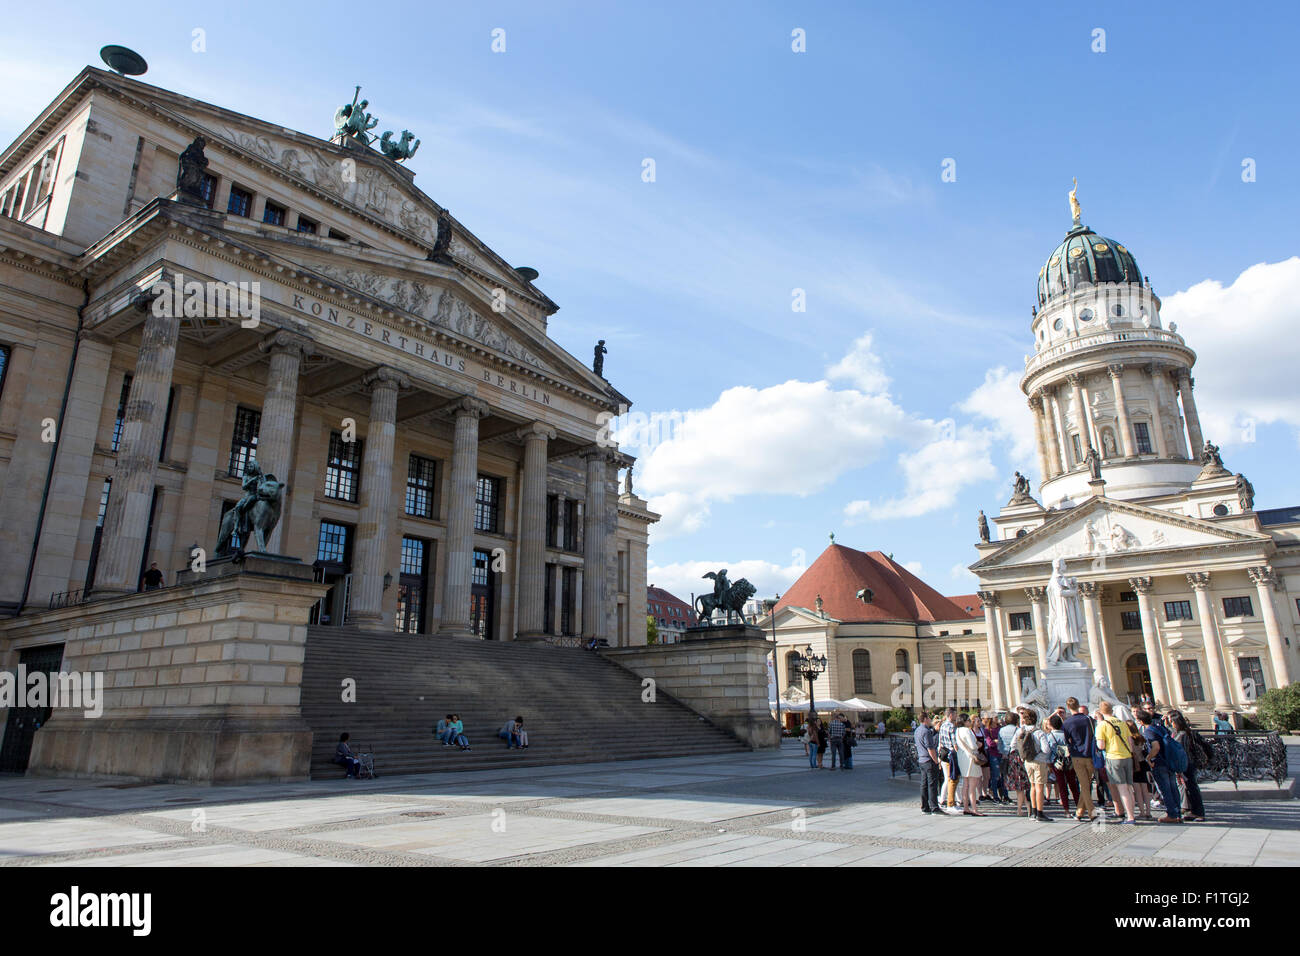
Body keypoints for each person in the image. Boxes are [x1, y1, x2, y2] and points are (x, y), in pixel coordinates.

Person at [1135, 709, 1181, 824]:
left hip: (1159, 762)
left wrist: (1148, 758)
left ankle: (1172, 814)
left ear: (1140, 721)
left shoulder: (1149, 731)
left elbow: (1156, 747)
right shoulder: (1160, 727)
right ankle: (1178, 812)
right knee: (1173, 788)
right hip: (1169, 760)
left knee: (1165, 790)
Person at [1095, 701, 1137, 824]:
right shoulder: (1122, 723)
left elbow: (1101, 745)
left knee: (1122, 788)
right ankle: (1132, 814)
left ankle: (1130, 817)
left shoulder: (1102, 725)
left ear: (1101, 712)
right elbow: (1130, 742)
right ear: (1112, 710)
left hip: (1114, 757)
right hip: (1127, 757)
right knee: (1129, 788)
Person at [1063, 697, 1097, 821]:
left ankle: (1092, 812)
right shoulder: (1089, 720)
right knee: (1086, 784)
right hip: (1090, 754)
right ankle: (1079, 812)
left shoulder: (1067, 723)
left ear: (1068, 707)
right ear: (1078, 705)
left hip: (1077, 756)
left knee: (1085, 785)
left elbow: (1066, 741)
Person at [1015, 709, 1053, 821]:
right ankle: (1040, 812)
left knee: (1032, 786)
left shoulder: (1021, 731)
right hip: (1039, 761)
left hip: (1027, 761)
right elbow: (1046, 749)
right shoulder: (1038, 732)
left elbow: (1014, 744)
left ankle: (1033, 811)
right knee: (1040, 787)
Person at [1168, 710, 1205, 821]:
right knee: (1190, 787)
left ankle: (1198, 813)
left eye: (1171, 721)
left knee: (1191, 787)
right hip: (1190, 763)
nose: (1170, 723)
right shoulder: (1186, 732)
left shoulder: (1181, 735)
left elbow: (1178, 750)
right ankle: (1193, 810)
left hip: (1186, 764)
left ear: (1175, 722)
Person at [1046, 713, 1078, 817]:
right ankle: (1079, 806)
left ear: (1051, 725)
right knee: (1073, 784)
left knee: (1062, 786)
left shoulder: (1050, 736)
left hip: (1057, 762)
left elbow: (1049, 751)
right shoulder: (1066, 734)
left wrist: (1049, 764)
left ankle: (1067, 810)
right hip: (1069, 760)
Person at [955, 714, 986, 816]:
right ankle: (974, 809)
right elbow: (973, 746)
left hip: (962, 757)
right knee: (973, 785)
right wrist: (978, 744)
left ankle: (966, 807)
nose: (970, 722)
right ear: (964, 721)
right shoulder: (967, 730)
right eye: (968, 720)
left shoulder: (957, 730)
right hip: (971, 759)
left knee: (966, 784)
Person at [915, 712, 943, 814]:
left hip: (921, 760)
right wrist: (936, 761)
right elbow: (930, 748)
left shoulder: (917, 730)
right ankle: (934, 807)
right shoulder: (926, 731)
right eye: (929, 718)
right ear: (925, 719)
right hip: (928, 760)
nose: (930, 720)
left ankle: (925, 807)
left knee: (924, 784)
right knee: (932, 785)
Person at [937, 708, 959, 809]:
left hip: (944, 754)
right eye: (955, 714)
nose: (956, 716)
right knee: (952, 779)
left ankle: (943, 799)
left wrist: (939, 757)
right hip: (951, 754)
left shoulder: (942, 726)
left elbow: (940, 741)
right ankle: (951, 802)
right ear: (951, 715)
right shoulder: (951, 726)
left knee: (947, 778)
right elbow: (954, 743)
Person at [984, 715, 1008, 803]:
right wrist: (996, 742)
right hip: (993, 754)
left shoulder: (1000, 728)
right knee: (995, 775)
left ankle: (1005, 795)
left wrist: (997, 741)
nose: (997, 719)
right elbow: (990, 743)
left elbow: (1003, 741)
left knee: (1003, 776)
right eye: (995, 717)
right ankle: (995, 795)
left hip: (1001, 753)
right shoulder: (987, 730)